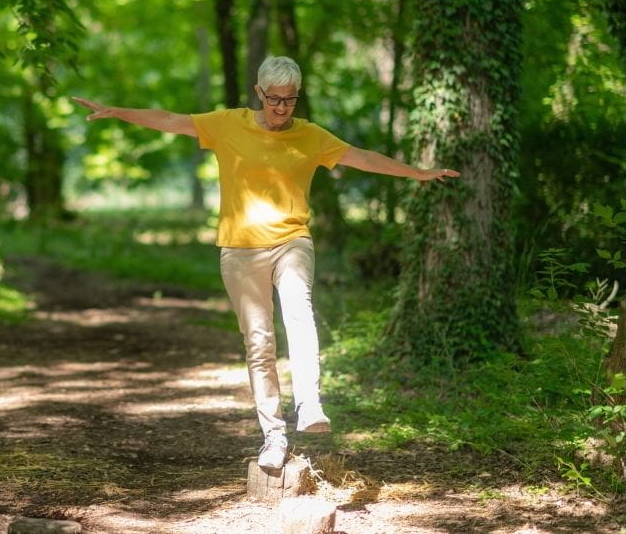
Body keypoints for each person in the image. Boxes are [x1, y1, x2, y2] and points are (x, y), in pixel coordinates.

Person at [73, 56, 460, 470]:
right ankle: (273, 436)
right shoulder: (228, 124)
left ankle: (310, 405)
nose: (281, 108)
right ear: (259, 93)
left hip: (292, 240)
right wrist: (116, 113)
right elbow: (170, 119)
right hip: (240, 251)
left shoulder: (310, 136)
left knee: (299, 315)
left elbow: (362, 157)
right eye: (274, 99)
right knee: (259, 344)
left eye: (290, 100)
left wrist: (416, 174)